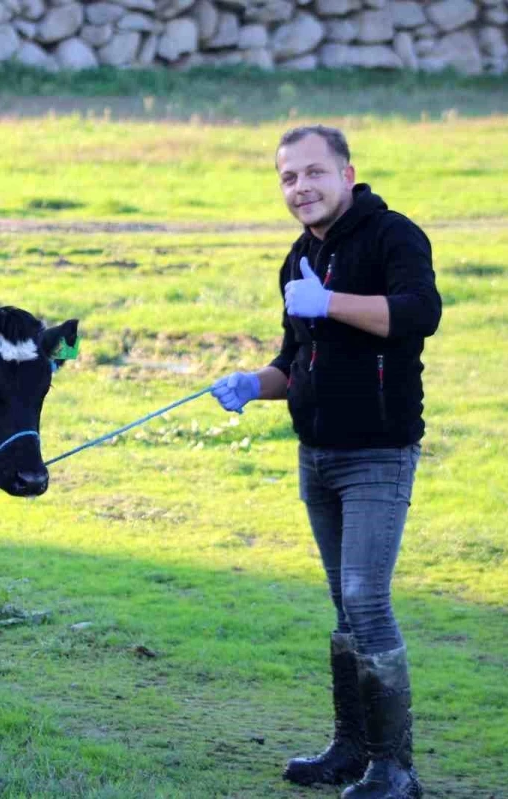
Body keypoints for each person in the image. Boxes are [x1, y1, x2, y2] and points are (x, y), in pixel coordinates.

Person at [212, 125, 441, 799]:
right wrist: (255, 383)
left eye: (314, 173)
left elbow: (419, 313)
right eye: (288, 178)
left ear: (347, 173)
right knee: (346, 604)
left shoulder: (393, 234)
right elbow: (295, 358)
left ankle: (396, 769)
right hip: (318, 454)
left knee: (368, 597)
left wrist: (330, 302)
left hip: (378, 452)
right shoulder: (296, 258)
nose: (300, 188)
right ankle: (351, 749)